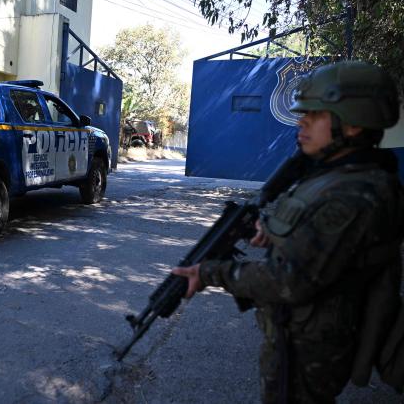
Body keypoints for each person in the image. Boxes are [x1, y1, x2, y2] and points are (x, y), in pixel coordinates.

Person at [172, 61, 404, 403]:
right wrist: (276, 232)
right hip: (297, 335)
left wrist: (210, 272)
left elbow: (289, 280)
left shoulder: (355, 193)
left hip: (310, 349)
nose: (302, 121)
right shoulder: (336, 176)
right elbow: (319, 238)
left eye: (315, 114)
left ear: (352, 124)